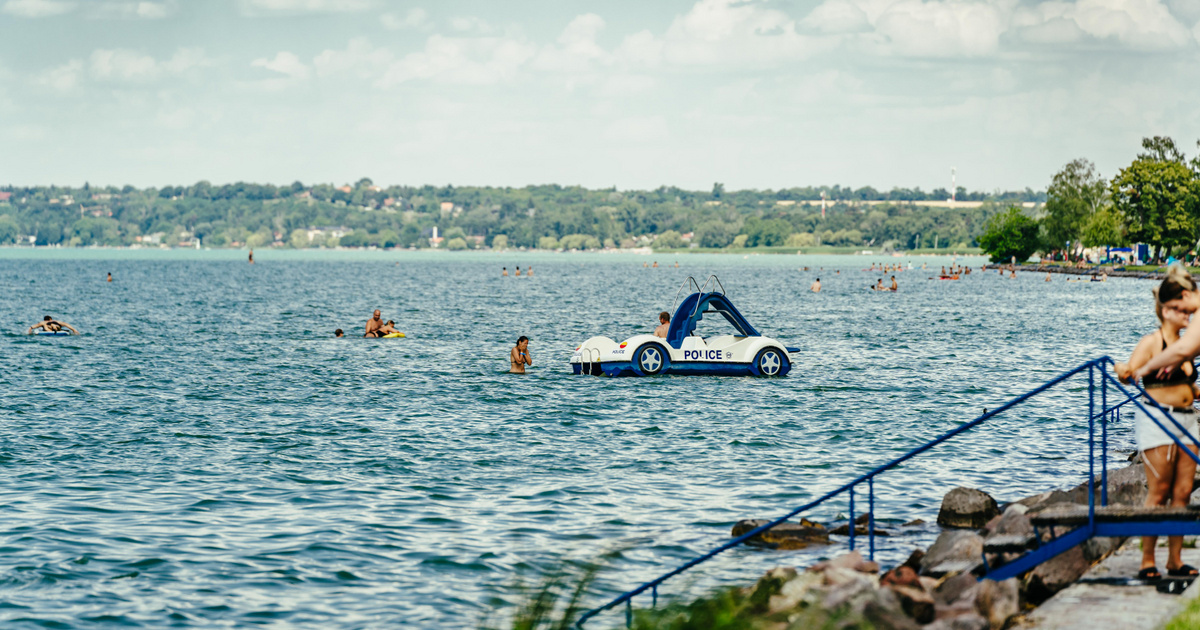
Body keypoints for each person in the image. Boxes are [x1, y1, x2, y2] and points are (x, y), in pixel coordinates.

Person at [1116, 266, 1200, 579]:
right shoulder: (1152, 343)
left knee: (1183, 491)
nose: (1187, 315)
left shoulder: (1186, 346)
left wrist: (1192, 392)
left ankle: (1175, 560)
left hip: (1187, 420)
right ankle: (1147, 560)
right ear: (1165, 310)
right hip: (1157, 420)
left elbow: (1187, 386)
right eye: (1180, 310)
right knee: (1159, 490)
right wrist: (1121, 369)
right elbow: (1129, 373)